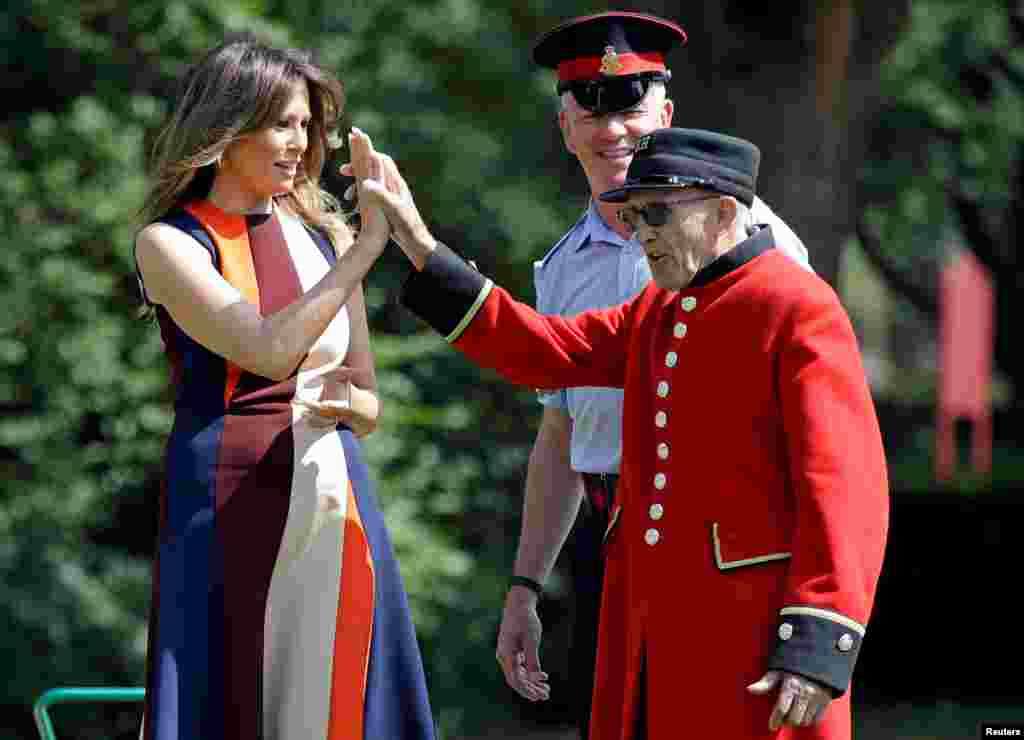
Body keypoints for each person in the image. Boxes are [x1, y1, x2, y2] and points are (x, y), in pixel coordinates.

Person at [356, 126, 888, 739]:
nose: (640, 233)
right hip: (647, 630)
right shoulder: (659, 308)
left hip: (750, 634)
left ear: (723, 211)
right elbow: (542, 349)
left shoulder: (796, 304)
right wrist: (418, 245)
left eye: (657, 212)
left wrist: (819, 635)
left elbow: (845, 489)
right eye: (633, 216)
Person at [496, 12, 813, 737]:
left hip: (724, 544)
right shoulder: (562, 267)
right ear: (564, 124)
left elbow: (815, 437)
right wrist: (525, 588)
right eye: (591, 111)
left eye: (632, 110)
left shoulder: (753, 238)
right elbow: (562, 432)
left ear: (665, 113)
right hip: (608, 544)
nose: (614, 134)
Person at [133, 38, 434, 740]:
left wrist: (350, 409)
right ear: (227, 126)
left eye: (307, 125)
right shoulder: (170, 242)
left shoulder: (321, 238)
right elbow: (267, 352)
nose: (300, 143)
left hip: (334, 495)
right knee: (230, 698)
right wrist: (368, 246)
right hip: (226, 499)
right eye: (281, 124)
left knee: (341, 701)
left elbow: (367, 397)